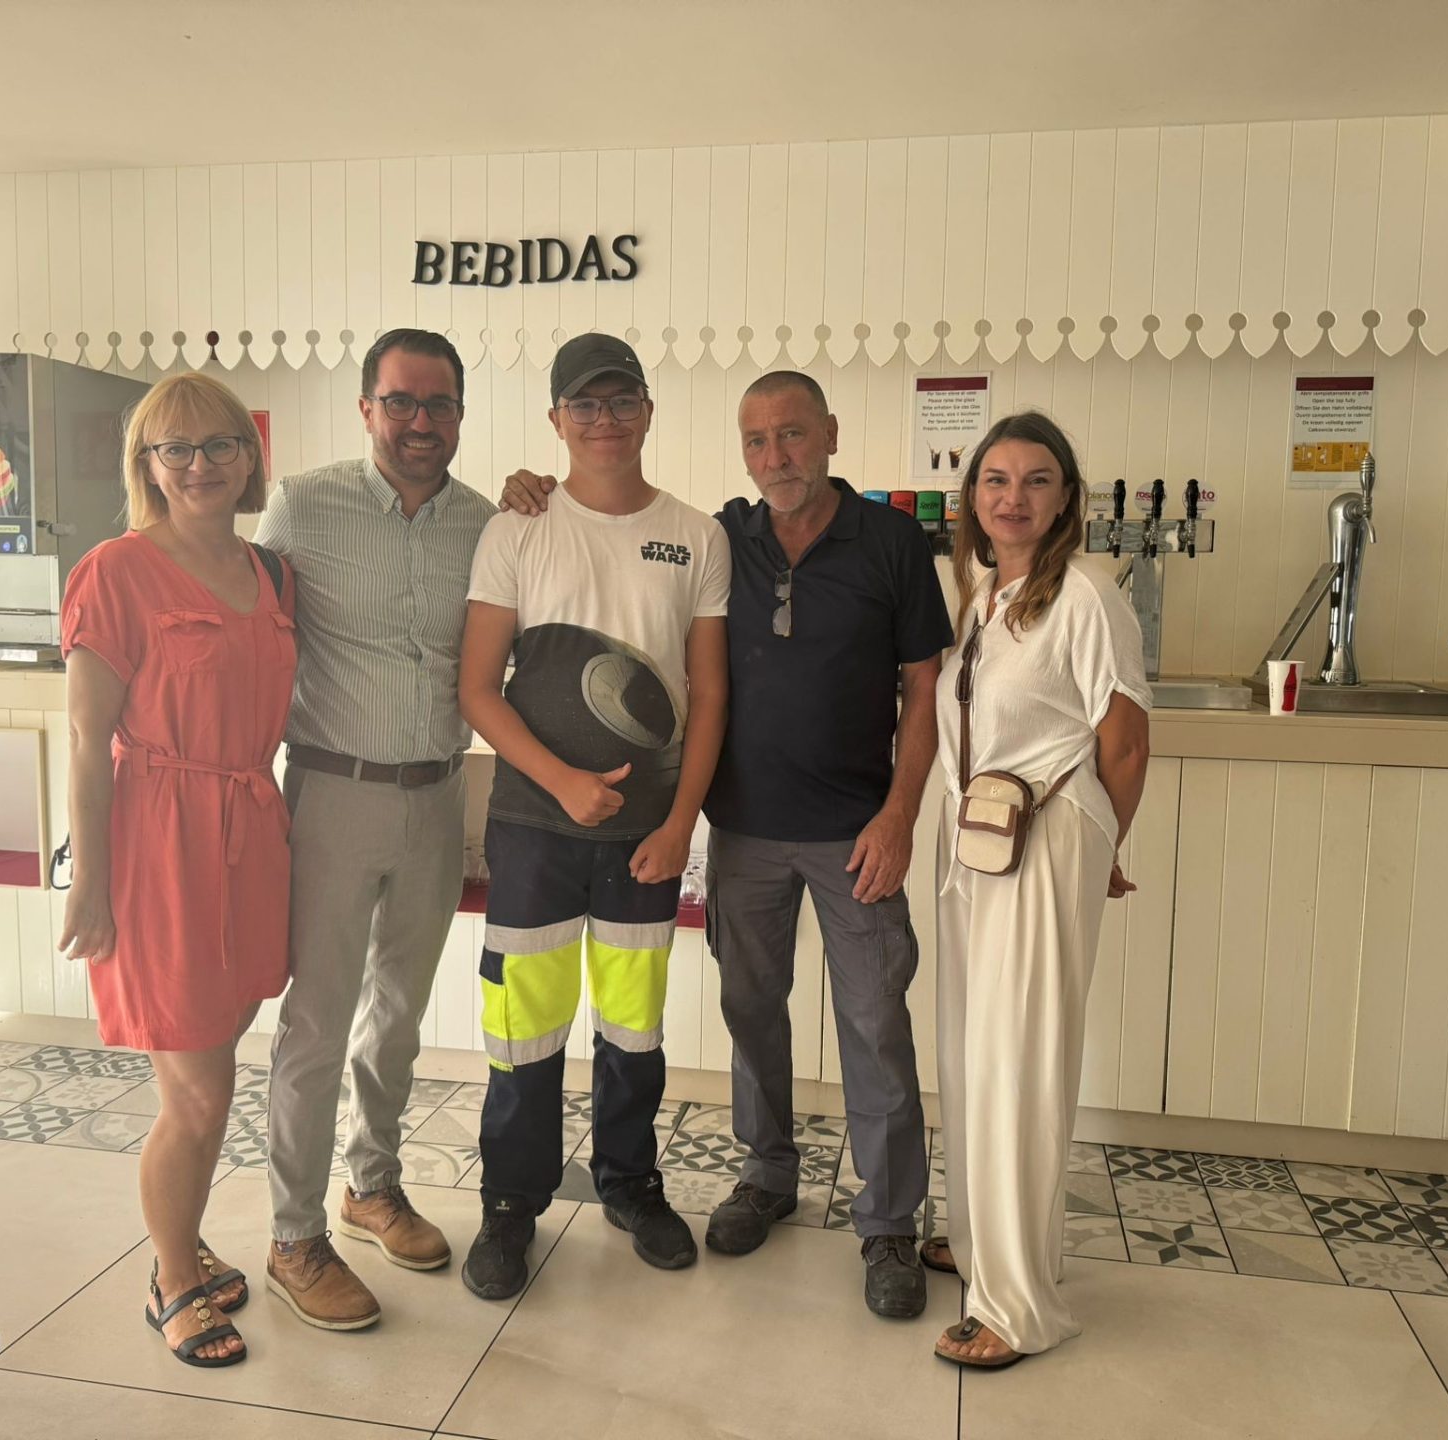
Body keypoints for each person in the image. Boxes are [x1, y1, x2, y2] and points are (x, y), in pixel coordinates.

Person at [500, 370, 951, 1318]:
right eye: (756, 440)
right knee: (751, 1009)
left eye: (793, 435)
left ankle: (888, 1223)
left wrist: (901, 814)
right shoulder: (722, 538)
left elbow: (924, 688)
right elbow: (630, 562)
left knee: (875, 1021)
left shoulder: (892, 542)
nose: (776, 457)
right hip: (743, 830)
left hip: (857, 833)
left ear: (831, 433)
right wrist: (527, 484)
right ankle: (768, 1173)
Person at [458, 332, 730, 1301]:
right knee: (522, 1032)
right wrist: (563, 781)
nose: (604, 420)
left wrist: (680, 824)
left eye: (621, 402)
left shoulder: (697, 535)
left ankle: (631, 1185)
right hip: (535, 829)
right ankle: (509, 1204)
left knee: (633, 1030)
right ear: (556, 420)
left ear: (649, 411)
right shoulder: (517, 528)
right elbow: (477, 688)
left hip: (644, 839)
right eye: (585, 404)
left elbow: (709, 693)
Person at [256, 329, 494, 1330]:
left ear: (461, 414)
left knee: (398, 1012)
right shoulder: (302, 506)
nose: (420, 422)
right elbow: (249, 636)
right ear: (367, 408)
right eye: (401, 401)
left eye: (439, 404)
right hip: (332, 792)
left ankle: (372, 1186)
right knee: (318, 1020)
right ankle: (292, 1236)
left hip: (437, 795)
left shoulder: (485, 522)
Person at [58, 372, 292, 1369]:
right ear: (146, 464)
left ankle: (183, 1236)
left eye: (220, 444)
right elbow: (86, 740)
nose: (200, 465)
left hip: (250, 830)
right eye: (176, 449)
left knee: (217, 1060)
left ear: (249, 455)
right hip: (159, 844)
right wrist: (90, 880)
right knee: (196, 1092)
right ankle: (171, 1279)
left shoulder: (270, 573)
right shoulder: (116, 571)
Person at [922, 410, 1151, 1369]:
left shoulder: (1088, 595)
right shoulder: (985, 593)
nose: (1013, 497)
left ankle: (1018, 1306)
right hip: (978, 841)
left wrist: (1101, 849)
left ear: (1066, 500)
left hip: (1044, 839)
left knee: (1021, 1062)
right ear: (973, 497)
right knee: (973, 1050)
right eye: (996, 480)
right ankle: (982, 1241)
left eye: (1036, 480)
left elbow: (1125, 742)